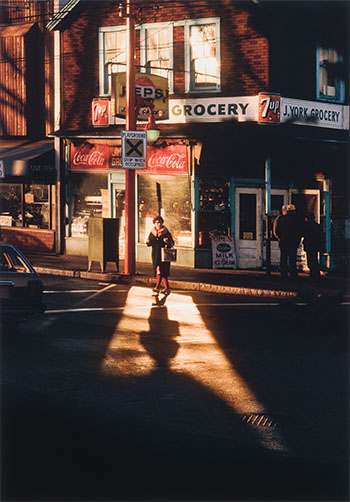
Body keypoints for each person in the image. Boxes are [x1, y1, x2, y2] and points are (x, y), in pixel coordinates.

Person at [146, 215, 174, 293]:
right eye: (157, 222)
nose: (158, 224)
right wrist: (148, 242)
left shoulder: (166, 232)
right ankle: (166, 287)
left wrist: (167, 242)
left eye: (160, 222)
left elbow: (172, 243)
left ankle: (157, 287)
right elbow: (150, 243)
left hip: (163, 254)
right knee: (160, 271)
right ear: (154, 223)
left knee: (161, 271)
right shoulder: (152, 232)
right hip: (155, 254)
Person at [274, 204, 302, 279]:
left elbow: (276, 231)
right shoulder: (297, 220)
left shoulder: (280, 219)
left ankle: (283, 274)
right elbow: (299, 232)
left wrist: (280, 238)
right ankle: (293, 274)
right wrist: (297, 241)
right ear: (293, 211)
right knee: (292, 259)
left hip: (283, 242)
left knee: (283, 258)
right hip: (293, 243)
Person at [303, 212, 323, 281]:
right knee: (314, 260)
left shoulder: (307, 227)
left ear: (308, 219)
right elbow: (321, 237)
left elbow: (305, 236)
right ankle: (316, 275)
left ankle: (313, 276)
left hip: (309, 246)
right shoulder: (318, 226)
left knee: (311, 262)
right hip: (315, 246)